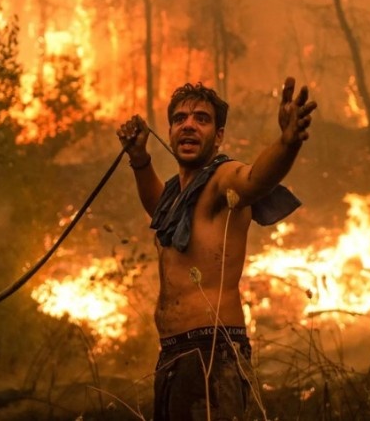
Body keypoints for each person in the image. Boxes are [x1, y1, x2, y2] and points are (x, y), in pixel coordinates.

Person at [117, 77, 317, 420]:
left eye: (201, 118)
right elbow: (158, 211)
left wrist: (287, 143)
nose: (189, 125)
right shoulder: (175, 196)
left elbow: (254, 180)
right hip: (173, 355)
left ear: (219, 135)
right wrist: (139, 160)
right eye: (180, 119)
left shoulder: (222, 179)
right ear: (170, 131)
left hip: (212, 351)